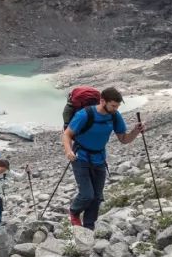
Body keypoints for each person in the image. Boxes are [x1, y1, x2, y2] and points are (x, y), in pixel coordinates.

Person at [62, 86, 145, 229]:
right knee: (87, 195)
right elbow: (67, 134)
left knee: (97, 197)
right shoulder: (84, 115)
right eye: (113, 105)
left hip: (99, 158)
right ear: (102, 101)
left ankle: (89, 228)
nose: (115, 109)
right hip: (80, 156)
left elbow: (124, 139)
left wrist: (136, 131)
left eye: (117, 106)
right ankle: (74, 212)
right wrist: (68, 151)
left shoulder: (114, 116)